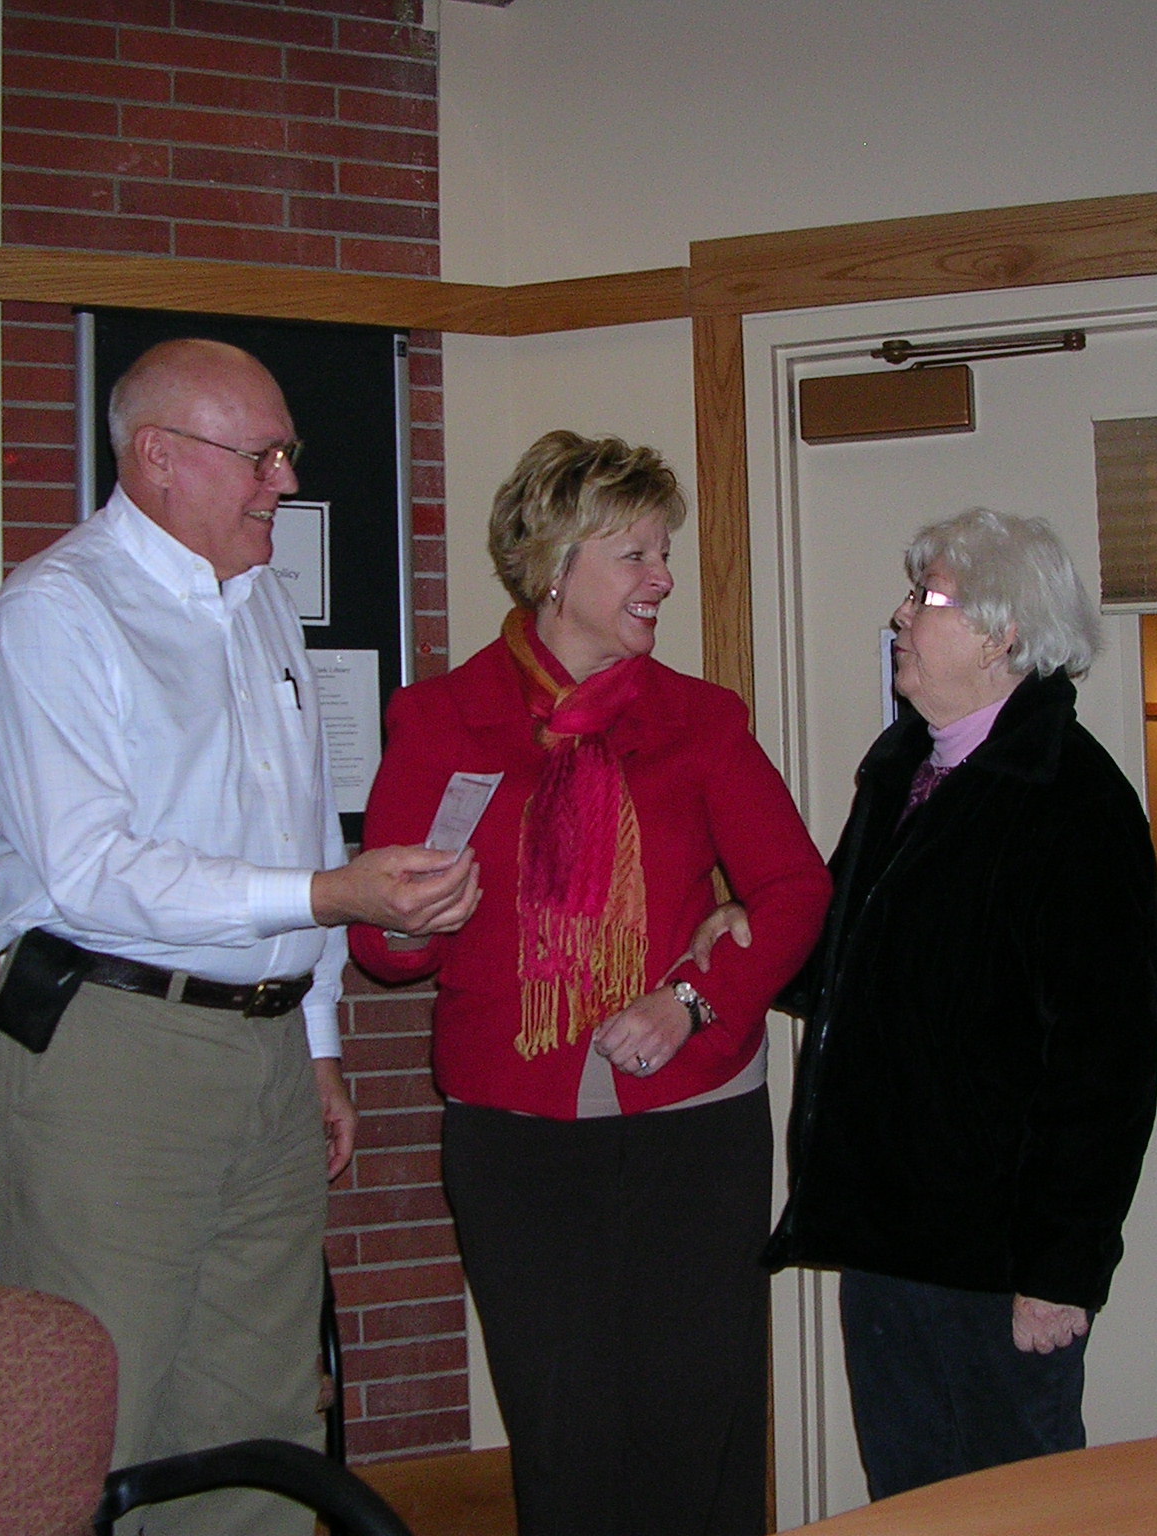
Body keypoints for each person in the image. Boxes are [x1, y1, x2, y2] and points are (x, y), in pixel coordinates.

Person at [0, 338, 479, 1536]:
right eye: (260, 456)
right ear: (157, 457)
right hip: (115, 1045)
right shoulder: (55, 614)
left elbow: (296, 821)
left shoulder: (258, 603)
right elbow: (91, 871)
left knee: (260, 1422)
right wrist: (329, 897)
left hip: (263, 1052)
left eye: (284, 453)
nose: (284, 481)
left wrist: (316, 1044)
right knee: (93, 1416)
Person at [349, 430, 831, 1536]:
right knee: (562, 1431)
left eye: (663, 553)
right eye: (635, 555)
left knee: (695, 1424)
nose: (662, 579)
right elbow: (385, 951)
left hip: (693, 1125)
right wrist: (412, 925)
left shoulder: (700, 720)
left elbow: (796, 889)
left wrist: (692, 998)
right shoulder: (442, 718)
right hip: (518, 1137)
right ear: (556, 565)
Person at [762, 507, 1157, 1496]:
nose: (899, 616)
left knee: (1015, 1508)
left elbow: (1105, 1068)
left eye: (924, 597)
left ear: (1001, 631)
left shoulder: (1075, 801)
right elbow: (845, 961)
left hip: (994, 1262)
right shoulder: (904, 769)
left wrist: (1060, 1272)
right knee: (908, 1501)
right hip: (887, 1238)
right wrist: (746, 932)